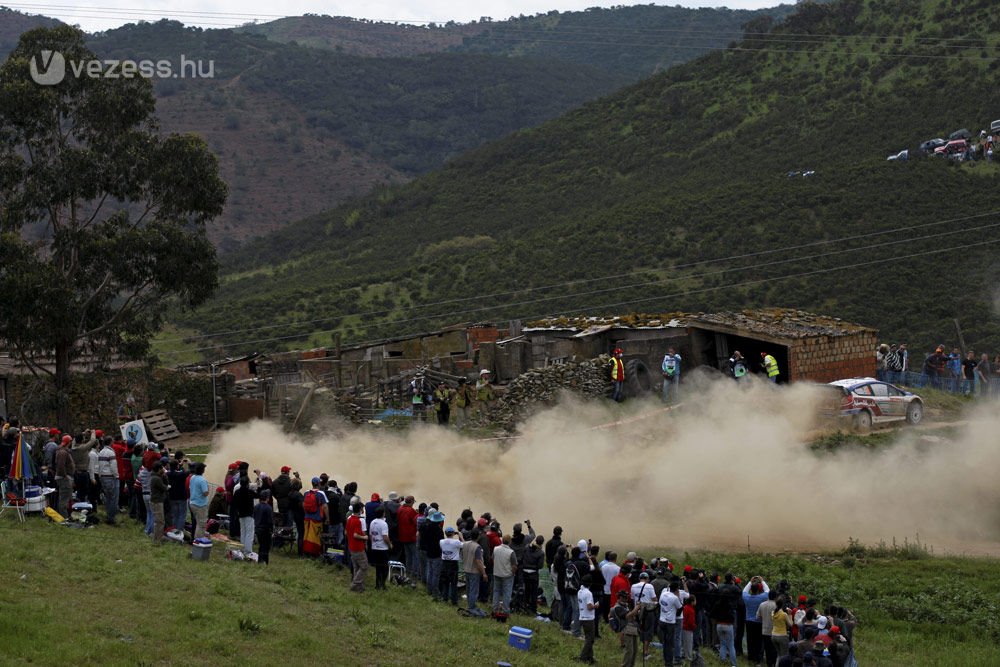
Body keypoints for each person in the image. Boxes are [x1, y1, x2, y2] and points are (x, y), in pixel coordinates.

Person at [461, 527, 488, 616]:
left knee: (468, 590)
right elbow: (478, 561)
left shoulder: (465, 544)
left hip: (466, 569)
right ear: (478, 536)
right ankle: (471, 607)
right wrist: (484, 573)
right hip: (474, 571)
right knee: (474, 590)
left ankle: (470, 605)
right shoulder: (477, 547)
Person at [743, 577, 770, 665]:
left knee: (750, 640)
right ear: (759, 589)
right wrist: (762, 581)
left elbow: (744, 591)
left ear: (751, 589)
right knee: (758, 640)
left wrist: (750, 582)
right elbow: (767, 591)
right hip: (759, 622)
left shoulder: (746, 597)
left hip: (749, 621)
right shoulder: (761, 598)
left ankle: (750, 656)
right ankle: (758, 657)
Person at [632, 571, 658, 659]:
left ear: (639, 578)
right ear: (647, 579)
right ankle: (645, 651)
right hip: (648, 611)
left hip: (637, 611)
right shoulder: (650, 586)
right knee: (648, 630)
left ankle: (638, 648)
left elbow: (632, 598)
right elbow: (654, 599)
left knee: (640, 629)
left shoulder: (633, 586)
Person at [611, 589, 640, 667]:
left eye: (626, 597)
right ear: (620, 597)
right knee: (629, 651)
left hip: (633, 628)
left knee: (635, 650)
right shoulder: (617, 607)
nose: (626, 598)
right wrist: (636, 608)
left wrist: (637, 611)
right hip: (626, 629)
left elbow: (632, 615)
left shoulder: (626, 605)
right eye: (624, 597)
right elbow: (627, 616)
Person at [658, 580, 683, 667]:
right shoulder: (675, 598)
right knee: (670, 644)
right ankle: (669, 663)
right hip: (670, 622)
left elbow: (660, 603)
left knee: (665, 642)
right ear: (676, 589)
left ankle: (665, 659)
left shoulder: (663, 594)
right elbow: (680, 607)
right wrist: (679, 596)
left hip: (662, 619)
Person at [492, 534, 518, 615]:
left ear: (502, 540)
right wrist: (513, 573)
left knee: (496, 592)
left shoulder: (495, 549)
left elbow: (493, 559)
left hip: (496, 573)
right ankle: (505, 611)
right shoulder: (511, 552)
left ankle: (494, 609)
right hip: (507, 575)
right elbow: (514, 566)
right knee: (507, 593)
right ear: (510, 542)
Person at [302, 477, 328, 557]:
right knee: (315, 536)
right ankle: (314, 553)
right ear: (319, 484)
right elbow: (325, 506)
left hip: (307, 518)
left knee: (306, 535)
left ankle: (306, 552)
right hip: (317, 519)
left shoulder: (306, 492)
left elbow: (303, 504)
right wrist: (327, 518)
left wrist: (306, 512)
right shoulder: (321, 493)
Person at [96, 437, 119, 525]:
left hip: (103, 477)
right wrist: (116, 475)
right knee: (114, 498)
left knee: (108, 497)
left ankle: (108, 515)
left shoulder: (101, 452)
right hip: (111, 477)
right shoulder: (111, 452)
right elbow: (113, 466)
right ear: (111, 442)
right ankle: (111, 518)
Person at [346, 502, 369, 592]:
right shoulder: (357, 521)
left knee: (357, 567)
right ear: (360, 510)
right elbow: (356, 535)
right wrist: (364, 537)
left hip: (351, 546)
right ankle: (355, 583)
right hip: (358, 547)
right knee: (364, 566)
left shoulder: (349, 519)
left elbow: (347, 532)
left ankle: (358, 587)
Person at [522, 534, 546, 616]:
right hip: (533, 574)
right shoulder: (541, 553)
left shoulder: (526, 548)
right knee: (534, 592)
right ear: (542, 543)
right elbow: (540, 566)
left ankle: (525, 607)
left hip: (525, 572)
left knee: (527, 591)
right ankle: (533, 609)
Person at [369, 507, 393, 590]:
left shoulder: (372, 522)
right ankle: (383, 584)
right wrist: (390, 544)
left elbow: (371, 535)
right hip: (383, 548)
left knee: (378, 568)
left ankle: (377, 585)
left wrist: (373, 544)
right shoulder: (384, 524)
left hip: (375, 547)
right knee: (385, 567)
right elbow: (385, 537)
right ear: (383, 514)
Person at [578, 574, 599, 665]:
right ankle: (583, 657)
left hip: (582, 616)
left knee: (589, 638)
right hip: (588, 618)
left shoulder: (580, 591)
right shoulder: (588, 593)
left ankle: (590, 658)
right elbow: (589, 607)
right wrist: (596, 606)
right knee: (590, 639)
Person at [439, 525, 463, 604]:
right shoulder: (456, 542)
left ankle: (444, 598)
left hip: (444, 563)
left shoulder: (441, 541)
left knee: (445, 581)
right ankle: (454, 600)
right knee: (453, 583)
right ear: (453, 533)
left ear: (445, 533)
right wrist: (460, 536)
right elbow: (464, 545)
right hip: (453, 564)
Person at [398, 495, 419, 580]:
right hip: (411, 537)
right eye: (413, 502)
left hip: (402, 536)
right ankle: (414, 573)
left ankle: (408, 571)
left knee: (408, 556)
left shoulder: (400, 509)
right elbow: (415, 522)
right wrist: (417, 513)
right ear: (411, 502)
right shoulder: (411, 511)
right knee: (414, 555)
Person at [53, 434, 75, 516]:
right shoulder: (63, 452)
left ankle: (65, 516)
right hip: (64, 478)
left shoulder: (63, 451)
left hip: (64, 477)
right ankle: (64, 517)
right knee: (64, 499)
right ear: (69, 442)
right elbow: (60, 466)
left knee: (65, 498)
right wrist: (66, 477)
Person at [188, 463, 210, 539]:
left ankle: (196, 540)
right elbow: (205, 493)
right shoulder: (202, 480)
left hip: (192, 503)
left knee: (198, 523)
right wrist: (208, 488)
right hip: (200, 505)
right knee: (201, 525)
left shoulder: (192, 477)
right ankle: (198, 541)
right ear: (202, 470)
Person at [149, 461, 168, 546]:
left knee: (158, 521)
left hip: (156, 501)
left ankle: (157, 538)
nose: (163, 470)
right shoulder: (156, 479)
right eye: (162, 468)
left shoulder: (155, 476)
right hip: (157, 501)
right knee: (160, 521)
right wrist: (165, 476)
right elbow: (164, 487)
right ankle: (157, 540)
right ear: (159, 469)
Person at [254, 490, 274, 564]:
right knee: (266, 546)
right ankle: (265, 561)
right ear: (267, 498)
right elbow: (270, 521)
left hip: (258, 529)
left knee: (261, 545)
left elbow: (254, 517)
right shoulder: (268, 508)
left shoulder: (256, 507)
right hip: (266, 530)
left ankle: (260, 560)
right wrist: (272, 530)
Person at [681, 594, 697, 664]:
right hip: (688, 629)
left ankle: (684, 655)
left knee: (684, 643)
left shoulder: (685, 607)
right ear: (692, 602)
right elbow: (691, 622)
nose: (696, 602)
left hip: (683, 627)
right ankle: (689, 657)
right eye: (695, 600)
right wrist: (694, 627)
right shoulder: (691, 610)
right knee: (689, 644)